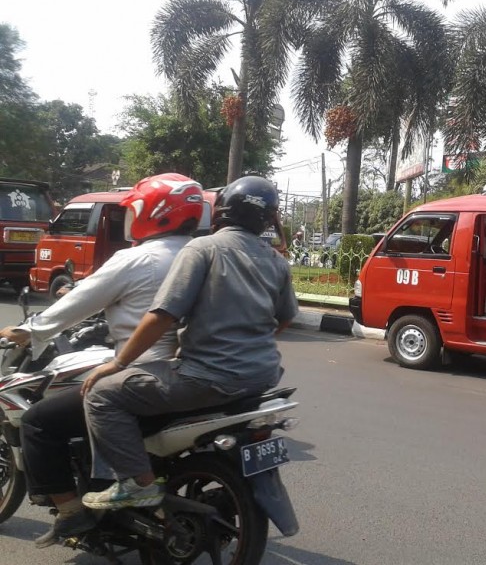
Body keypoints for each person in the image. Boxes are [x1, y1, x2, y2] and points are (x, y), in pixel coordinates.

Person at [0, 173, 204, 547]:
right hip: (193, 373)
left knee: (39, 421)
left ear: (152, 213)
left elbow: (76, 304)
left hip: (143, 372)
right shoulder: (203, 253)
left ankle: (71, 514)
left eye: (133, 209)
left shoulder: (137, 258)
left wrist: (28, 330)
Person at [79, 175, 298, 511]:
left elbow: (162, 316)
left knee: (101, 393)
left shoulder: (202, 248)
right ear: (269, 219)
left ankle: (138, 483)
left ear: (222, 210)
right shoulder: (276, 261)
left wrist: (117, 363)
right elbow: (284, 319)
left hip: (209, 378)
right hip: (264, 377)